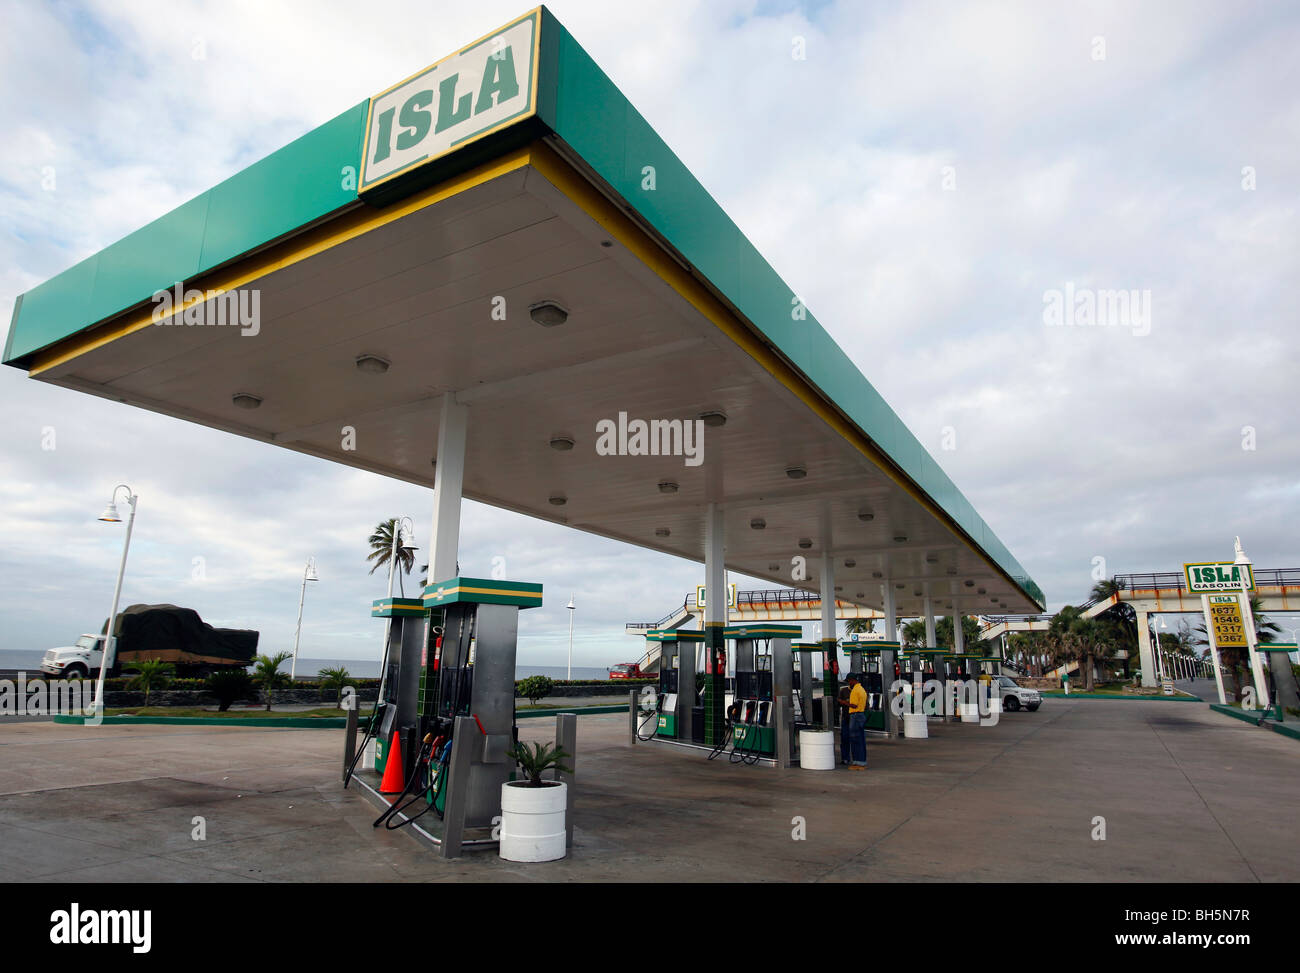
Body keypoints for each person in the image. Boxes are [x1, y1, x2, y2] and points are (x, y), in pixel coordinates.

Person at [846, 673, 868, 770]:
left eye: (849, 681)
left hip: (855, 715)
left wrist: (843, 702)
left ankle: (857, 762)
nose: (848, 683)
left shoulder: (855, 691)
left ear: (852, 680)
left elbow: (854, 705)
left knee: (855, 739)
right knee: (861, 739)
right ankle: (862, 761)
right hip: (861, 715)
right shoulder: (862, 689)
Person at [837, 684, 852, 764]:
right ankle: (845, 758)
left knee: (855, 739)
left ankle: (855, 758)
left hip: (854, 717)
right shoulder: (844, 690)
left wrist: (845, 702)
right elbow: (838, 702)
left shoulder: (859, 690)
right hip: (846, 717)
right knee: (845, 738)